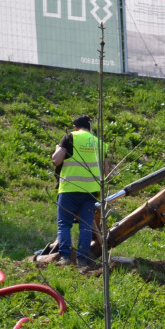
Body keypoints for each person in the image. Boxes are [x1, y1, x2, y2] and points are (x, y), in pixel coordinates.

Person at [51, 114, 108, 267]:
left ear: (75, 127)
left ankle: (65, 258)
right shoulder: (100, 144)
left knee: (64, 224)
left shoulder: (70, 137)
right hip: (90, 192)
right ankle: (82, 260)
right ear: (90, 128)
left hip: (69, 189)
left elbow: (56, 160)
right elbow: (106, 172)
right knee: (86, 226)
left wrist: (58, 148)